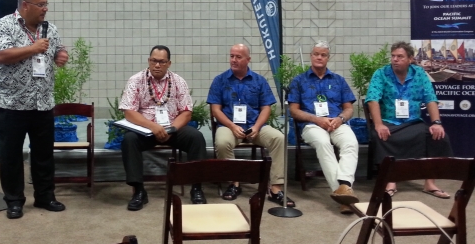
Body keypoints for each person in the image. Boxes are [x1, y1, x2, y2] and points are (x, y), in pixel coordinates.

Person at [0, 0, 69, 219]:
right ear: (25, 5)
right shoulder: (4, 25)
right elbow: (0, 55)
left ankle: (45, 196)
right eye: (41, 4)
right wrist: (33, 48)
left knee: (44, 155)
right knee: (11, 156)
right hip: (12, 103)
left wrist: (61, 55)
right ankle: (14, 201)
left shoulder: (50, 29)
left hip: (43, 103)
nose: (45, 9)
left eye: (46, 4)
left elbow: (58, 50)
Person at [119, 45, 207, 211]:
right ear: (149, 61)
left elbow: (186, 112)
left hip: (173, 128)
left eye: (162, 62)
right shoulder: (136, 80)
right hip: (146, 129)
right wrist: (153, 126)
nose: (157, 65)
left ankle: (197, 188)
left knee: (196, 137)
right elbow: (129, 112)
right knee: (129, 140)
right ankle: (139, 191)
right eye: (154, 61)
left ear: (169, 63)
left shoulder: (178, 81)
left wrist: (171, 129)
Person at [207, 44, 294, 207]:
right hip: (229, 126)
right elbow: (215, 110)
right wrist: (232, 126)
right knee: (222, 142)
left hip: (255, 126)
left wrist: (256, 127)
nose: (234, 60)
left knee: (279, 139)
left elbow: (266, 108)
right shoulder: (220, 80)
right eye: (232, 56)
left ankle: (276, 188)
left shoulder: (259, 81)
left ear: (248, 59)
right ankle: (234, 183)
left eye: (238, 57)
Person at [365, 41, 453, 198]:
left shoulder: (419, 73)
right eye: (393, 56)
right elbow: (372, 99)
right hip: (388, 122)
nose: (395, 59)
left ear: (410, 59)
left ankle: (430, 183)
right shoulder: (381, 73)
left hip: (413, 122)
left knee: (438, 136)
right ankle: (390, 181)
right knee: (381, 136)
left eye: (400, 56)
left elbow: (430, 98)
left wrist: (436, 123)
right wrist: (378, 124)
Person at [288, 41, 359, 213]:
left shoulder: (338, 80)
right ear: (311, 56)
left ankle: (344, 186)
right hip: (311, 124)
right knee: (323, 143)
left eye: (323, 55)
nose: (319, 57)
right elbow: (294, 111)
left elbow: (349, 108)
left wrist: (340, 119)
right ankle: (343, 193)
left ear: (328, 58)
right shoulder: (298, 81)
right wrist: (316, 119)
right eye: (316, 54)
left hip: (336, 122)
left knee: (351, 142)